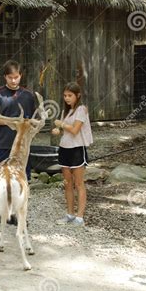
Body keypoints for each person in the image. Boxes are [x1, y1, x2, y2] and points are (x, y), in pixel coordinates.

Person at [0, 60, 37, 227]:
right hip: (2, 144)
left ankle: (16, 215)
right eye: (10, 77)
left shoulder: (28, 95)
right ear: (5, 76)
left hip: (22, 146)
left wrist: (25, 124)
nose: (14, 80)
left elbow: (32, 119)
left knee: (21, 179)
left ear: (20, 76)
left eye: (17, 77)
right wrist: (12, 122)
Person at [51, 82, 93, 226]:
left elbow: (75, 130)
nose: (67, 98)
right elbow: (67, 130)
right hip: (65, 149)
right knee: (68, 184)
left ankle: (79, 217)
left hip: (76, 150)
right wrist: (59, 131)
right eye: (65, 95)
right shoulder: (66, 111)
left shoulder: (81, 109)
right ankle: (69, 214)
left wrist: (61, 125)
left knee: (79, 184)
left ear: (78, 95)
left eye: (70, 95)